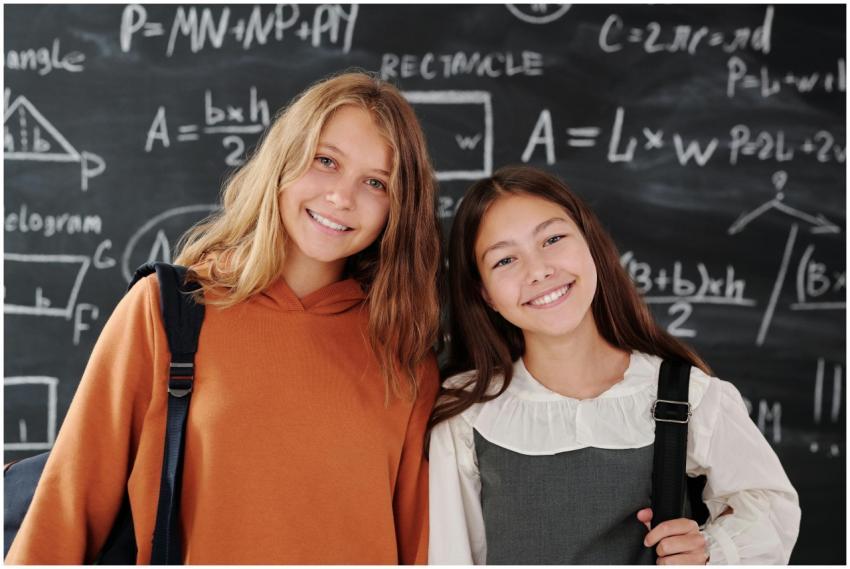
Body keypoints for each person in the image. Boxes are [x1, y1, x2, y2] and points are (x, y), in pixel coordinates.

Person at [7, 71, 443, 564]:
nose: (342, 196)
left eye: (375, 182)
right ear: (283, 160)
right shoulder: (166, 312)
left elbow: (423, 551)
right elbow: (65, 509)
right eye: (325, 161)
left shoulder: (403, 357)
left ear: (397, 208)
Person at [428, 165, 800, 565]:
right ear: (484, 293)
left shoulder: (684, 395)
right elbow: (451, 555)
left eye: (552, 239)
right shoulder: (469, 412)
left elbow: (770, 508)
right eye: (504, 260)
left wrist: (707, 552)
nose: (539, 270)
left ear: (590, 242)